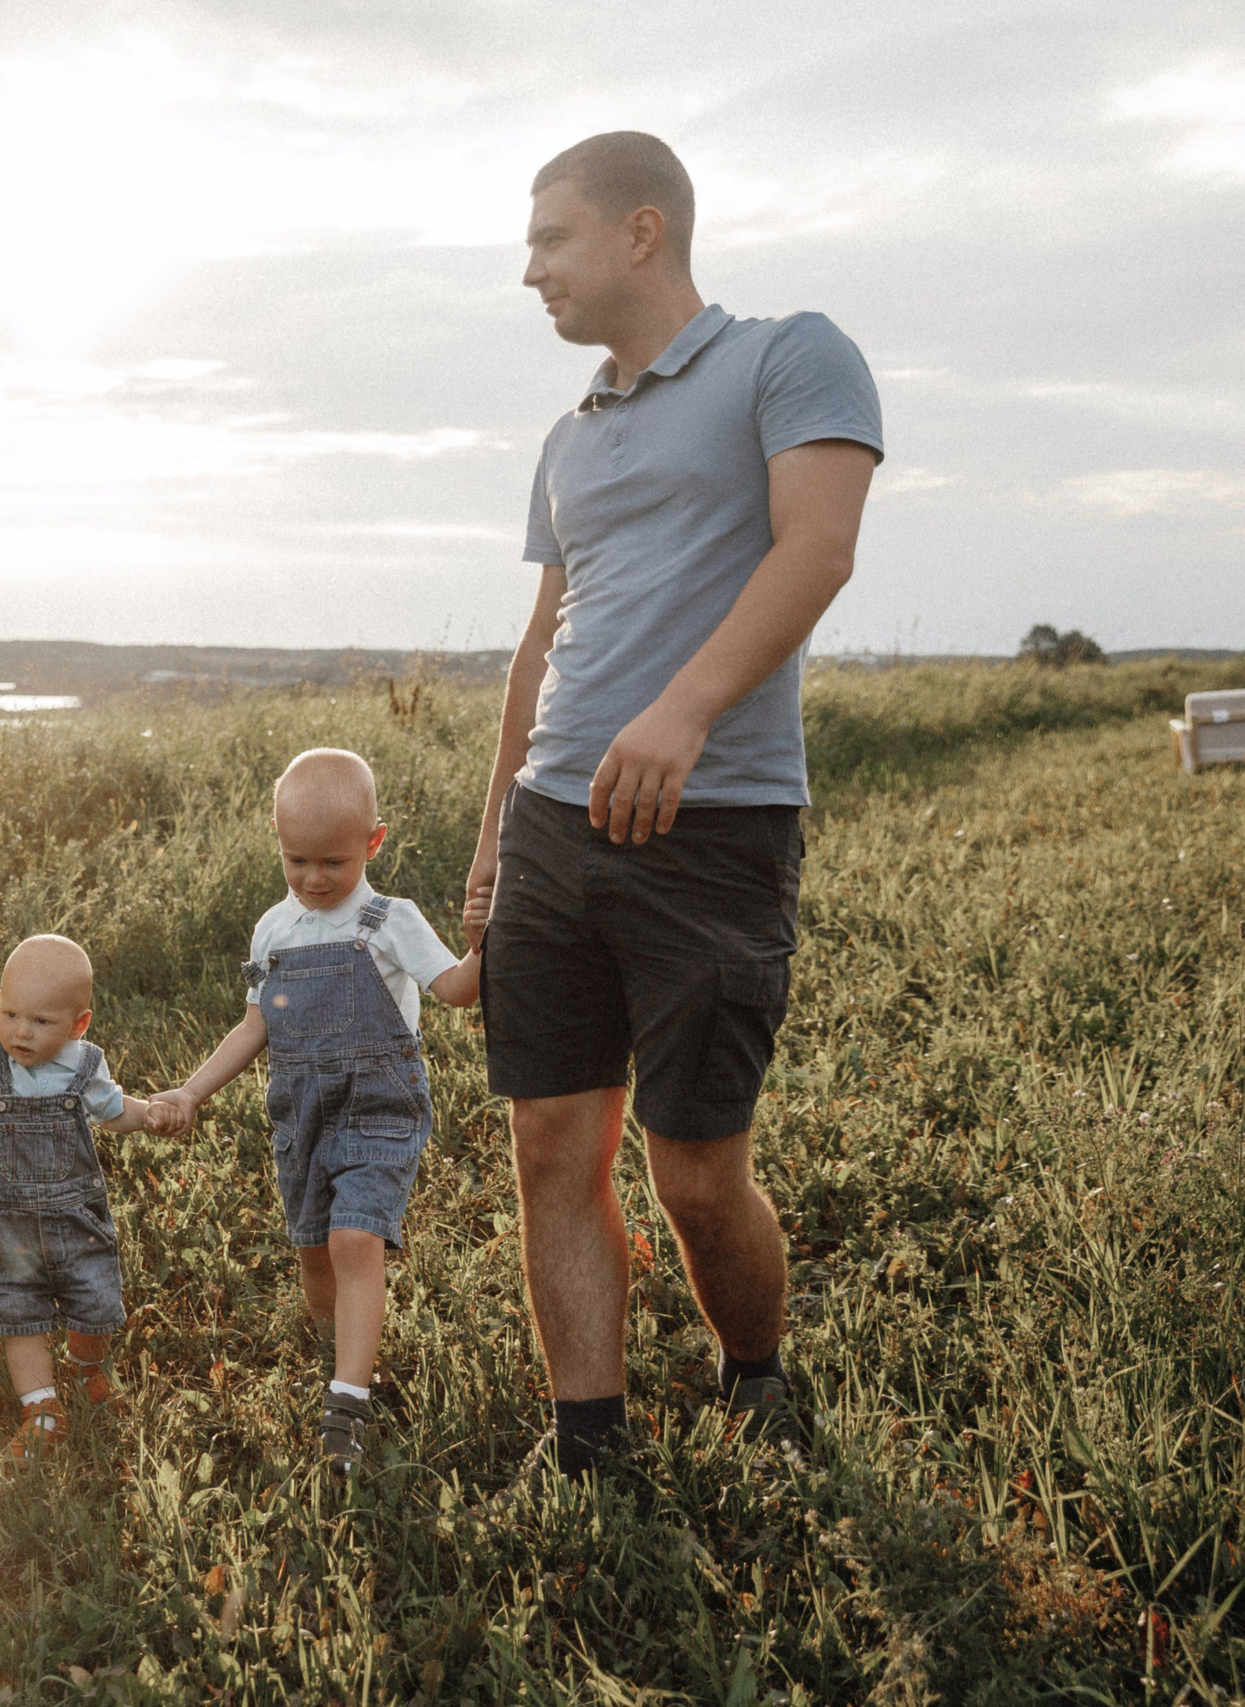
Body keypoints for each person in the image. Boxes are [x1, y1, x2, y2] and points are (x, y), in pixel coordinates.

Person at [469, 132, 883, 1489]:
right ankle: (589, 1444)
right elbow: (543, 644)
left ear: (642, 232)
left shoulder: (790, 354)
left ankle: (756, 1375)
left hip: (714, 825)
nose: (529, 271)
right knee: (548, 1143)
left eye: (551, 240)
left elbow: (819, 544)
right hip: (550, 830)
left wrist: (686, 709)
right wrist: (489, 853)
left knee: (696, 1171)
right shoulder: (563, 435)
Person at [155, 749, 485, 1472]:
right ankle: (338, 1357)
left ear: (373, 842)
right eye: (295, 859)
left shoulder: (389, 919)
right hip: (300, 1113)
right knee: (315, 1258)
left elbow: (457, 988)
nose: (312, 878)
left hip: (377, 1108)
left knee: (355, 1241)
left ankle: (346, 1414)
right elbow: (254, 1027)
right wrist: (189, 1090)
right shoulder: (275, 929)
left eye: (331, 862)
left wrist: (484, 943)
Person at [0, 935, 179, 1459]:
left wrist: (149, 1114)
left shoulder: (83, 1065)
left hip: (74, 1214)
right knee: (19, 1314)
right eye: (10, 1013)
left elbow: (113, 1111)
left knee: (92, 1302)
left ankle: (88, 1370)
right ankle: (41, 1407)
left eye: (40, 1021)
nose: (20, 1032)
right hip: (2, 1219)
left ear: (79, 1025)